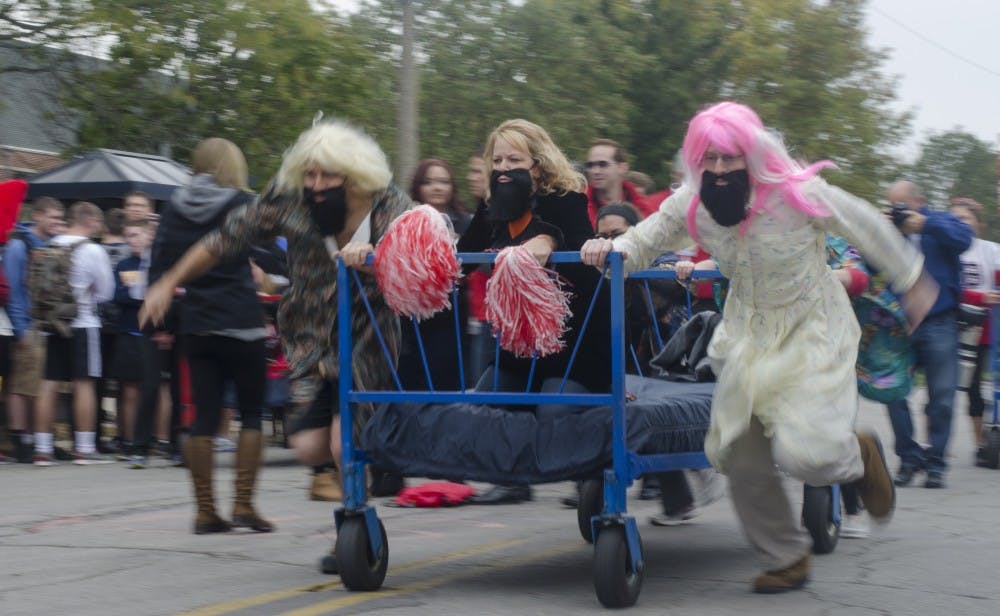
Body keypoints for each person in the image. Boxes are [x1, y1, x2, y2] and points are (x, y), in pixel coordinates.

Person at [581, 101, 936, 593]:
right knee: (739, 451)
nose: (721, 170)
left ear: (752, 156)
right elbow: (642, 239)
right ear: (697, 161)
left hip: (813, 329)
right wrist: (608, 249)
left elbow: (864, 223)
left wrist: (911, 277)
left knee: (807, 456)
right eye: (711, 160)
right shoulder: (692, 203)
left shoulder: (797, 193)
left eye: (731, 159)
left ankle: (859, 455)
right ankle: (786, 556)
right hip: (748, 336)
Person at [140, 119, 411, 572]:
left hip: (368, 334)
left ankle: (356, 527)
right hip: (307, 337)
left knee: (346, 442)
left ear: (354, 173)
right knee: (307, 447)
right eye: (310, 174)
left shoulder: (387, 204)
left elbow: (423, 264)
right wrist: (168, 281)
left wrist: (376, 262)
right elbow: (225, 239)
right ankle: (367, 471)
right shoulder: (287, 200)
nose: (317, 185)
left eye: (328, 175)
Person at [457, 118, 611, 505]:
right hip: (521, 344)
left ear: (537, 166)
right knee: (485, 400)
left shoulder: (568, 197)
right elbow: (461, 260)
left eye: (514, 159)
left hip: (574, 341)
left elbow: (578, 249)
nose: (504, 168)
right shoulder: (493, 206)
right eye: (497, 160)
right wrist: (395, 255)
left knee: (555, 409)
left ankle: (592, 474)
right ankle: (513, 479)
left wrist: (546, 237)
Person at [146, 137, 272, 534]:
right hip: (242, 319)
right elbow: (268, 254)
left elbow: (160, 263)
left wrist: (159, 325)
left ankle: (204, 511)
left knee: (203, 414)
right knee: (252, 413)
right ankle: (243, 505)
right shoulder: (241, 203)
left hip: (197, 324)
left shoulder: (174, 207)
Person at [884, 180, 971, 489]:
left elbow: (964, 239)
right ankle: (909, 458)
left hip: (939, 321)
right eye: (892, 206)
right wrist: (883, 229)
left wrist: (927, 223)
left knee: (943, 398)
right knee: (893, 392)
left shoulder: (941, 221)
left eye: (902, 206)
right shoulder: (890, 232)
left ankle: (936, 463)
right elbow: (866, 263)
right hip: (899, 323)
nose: (898, 212)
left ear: (918, 200)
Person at [34, 201, 115, 466]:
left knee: (49, 383)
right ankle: (83, 448)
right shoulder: (93, 250)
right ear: (90, 221)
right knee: (84, 384)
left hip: (53, 324)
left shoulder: (51, 245)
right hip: (83, 322)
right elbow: (106, 293)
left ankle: (42, 449)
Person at [3, 197, 65, 463]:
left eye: (60, 219)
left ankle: (35, 437)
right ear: (37, 215)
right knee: (20, 385)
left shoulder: (48, 244)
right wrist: (21, 329)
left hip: (46, 325)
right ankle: (20, 440)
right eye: (53, 218)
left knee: (37, 386)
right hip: (28, 326)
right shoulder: (19, 245)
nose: (57, 223)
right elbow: (14, 290)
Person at [948, 198, 1000, 467]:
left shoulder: (990, 250)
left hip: (983, 331)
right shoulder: (946, 249)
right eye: (954, 220)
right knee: (943, 389)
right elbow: (948, 289)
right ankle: (932, 444)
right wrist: (981, 297)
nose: (961, 224)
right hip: (950, 326)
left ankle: (981, 443)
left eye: (966, 219)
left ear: (978, 224)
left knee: (977, 388)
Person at [584, 139, 658, 224]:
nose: (595, 171)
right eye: (590, 165)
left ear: (622, 168)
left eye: (603, 164)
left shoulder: (647, 213)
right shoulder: (577, 210)